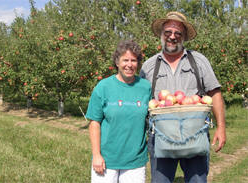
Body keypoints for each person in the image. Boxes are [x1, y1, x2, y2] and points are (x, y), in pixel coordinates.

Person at [140, 12, 226, 183]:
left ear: (184, 36)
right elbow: (142, 102)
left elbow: (214, 93)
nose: (172, 37)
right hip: (161, 137)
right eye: (168, 32)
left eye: (178, 33)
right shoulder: (149, 66)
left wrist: (221, 128)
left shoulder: (199, 61)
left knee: (197, 181)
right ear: (161, 35)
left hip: (195, 135)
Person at [86, 40, 151, 183]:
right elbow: (94, 122)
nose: (129, 64)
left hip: (135, 161)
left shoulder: (145, 87)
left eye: (133, 60)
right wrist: (96, 155)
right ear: (117, 62)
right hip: (107, 160)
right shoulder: (103, 87)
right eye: (125, 60)